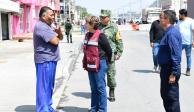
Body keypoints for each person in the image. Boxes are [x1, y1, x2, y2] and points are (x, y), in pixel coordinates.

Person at [33, 6, 62, 112]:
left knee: (49, 86)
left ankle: (48, 106)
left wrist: (58, 32)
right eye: (51, 15)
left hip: (51, 59)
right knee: (43, 87)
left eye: (53, 15)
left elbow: (60, 37)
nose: (53, 17)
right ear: (44, 16)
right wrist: (57, 34)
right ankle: (42, 109)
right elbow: (55, 41)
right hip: (44, 61)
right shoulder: (41, 26)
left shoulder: (49, 26)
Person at [83, 16, 112, 112]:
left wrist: (107, 63)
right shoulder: (87, 35)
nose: (85, 24)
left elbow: (109, 50)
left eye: (86, 23)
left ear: (91, 25)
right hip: (90, 65)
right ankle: (94, 108)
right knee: (93, 88)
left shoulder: (101, 35)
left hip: (100, 64)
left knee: (100, 88)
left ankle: (102, 109)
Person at [158, 10, 182, 112]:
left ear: (167, 19)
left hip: (170, 70)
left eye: (161, 17)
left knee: (171, 99)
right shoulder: (168, 32)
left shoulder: (171, 33)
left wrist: (173, 73)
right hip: (166, 69)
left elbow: (176, 55)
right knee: (166, 96)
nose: (159, 19)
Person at [98, 9, 124, 102]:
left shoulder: (114, 27)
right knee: (100, 75)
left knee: (111, 74)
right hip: (99, 55)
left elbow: (119, 40)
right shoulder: (98, 26)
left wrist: (119, 52)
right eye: (101, 17)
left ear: (108, 17)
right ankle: (102, 92)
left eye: (103, 17)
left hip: (110, 55)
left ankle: (111, 91)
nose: (101, 18)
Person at [177, 9, 194, 76]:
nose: (179, 15)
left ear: (183, 15)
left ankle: (188, 69)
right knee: (178, 56)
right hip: (179, 43)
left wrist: (193, 41)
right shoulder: (178, 21)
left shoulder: (191, 21)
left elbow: (193, 31)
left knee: (188, 56)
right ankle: (178, 68)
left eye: (180, 14)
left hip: (188, 43)